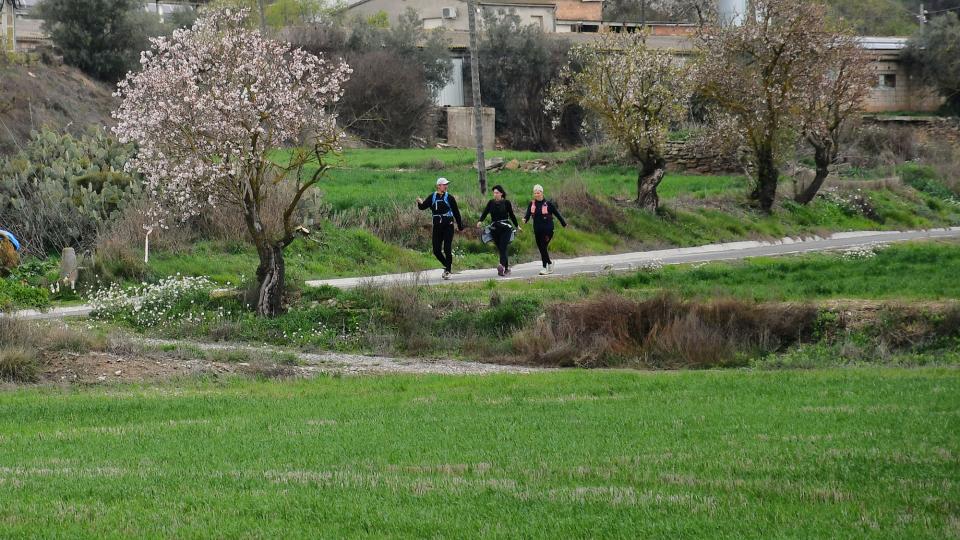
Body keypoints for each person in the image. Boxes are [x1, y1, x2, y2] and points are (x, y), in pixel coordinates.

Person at [416, 177, 463, 280]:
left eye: (447, 184)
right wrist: (419, 202)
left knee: (447, 248)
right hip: (437, 226)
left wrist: (459, 225)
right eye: (444, 184)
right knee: (436, 250)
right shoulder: (432, 197)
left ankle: (448, 270)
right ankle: (447, 265)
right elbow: (423, 207)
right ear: (438, 186)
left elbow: (456, 212)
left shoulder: (450, 198)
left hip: (448, 225)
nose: (446, 186)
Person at [476, 185, 521, 276]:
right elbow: (485, 212)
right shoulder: (491, 203)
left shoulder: (506, 203)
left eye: (497, 193)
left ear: (501, 193)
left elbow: (511, 215)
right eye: (494, 193)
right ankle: (506, 269)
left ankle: (501, 266)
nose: (495, 194)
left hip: (506, 228)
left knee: (503, 246)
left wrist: (517, 226)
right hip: (495, 229)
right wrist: (480, 221)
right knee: (501, 249)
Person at [523, 184, 566, 275]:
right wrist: (525, 219)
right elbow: (528, 214)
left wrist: (563, 223)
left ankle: (544, 267)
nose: (536, 195)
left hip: (548, 230)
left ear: (542, 193)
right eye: (535, 193)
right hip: (537, 230)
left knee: (543, 247)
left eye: (538, 193)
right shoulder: (532, 204)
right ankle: (550, 264)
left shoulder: (548, 204)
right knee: (541, 248)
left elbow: (557, 214)